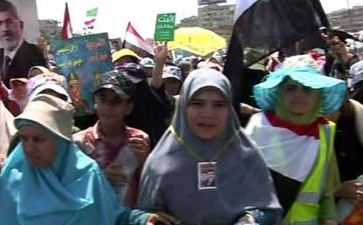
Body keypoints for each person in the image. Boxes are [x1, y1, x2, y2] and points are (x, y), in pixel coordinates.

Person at [0, 94, 176, 225]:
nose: (29, 148)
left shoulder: (87, 175)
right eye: (24, 139)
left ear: (60, 142)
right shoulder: (11, 174)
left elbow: (112, 215)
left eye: (38, 139)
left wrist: (142, 220)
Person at [139, 68, 282, 225]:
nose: (208, 113)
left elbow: (270, 210)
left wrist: (252, 220)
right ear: (183, 107)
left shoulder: (246, 155)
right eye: (197, 103)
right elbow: (145, 213)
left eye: (219, 105)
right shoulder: (160, 161)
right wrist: (152, 219)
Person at [245, 64, 347, 225]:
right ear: (279, 92)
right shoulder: (259, 126)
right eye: (290, 88)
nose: (299, 94)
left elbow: (326, 191)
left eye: (308, 89)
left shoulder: (326, 131)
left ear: (319, 95)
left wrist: (330, 219)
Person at [73, 71, 150, 208]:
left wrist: (144, 160)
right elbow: (72, 186)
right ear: (95, 103)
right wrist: (100, 178)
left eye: (116, 101)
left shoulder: (139, 140)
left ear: (128, 108)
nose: (108, 107)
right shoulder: (80, 142)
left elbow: (149, 182)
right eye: (103, 100)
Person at [0, 0, 46, 88]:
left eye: (9, 22)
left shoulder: (34, 51)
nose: (5, 29)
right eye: (0, 23)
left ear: (21, 25)